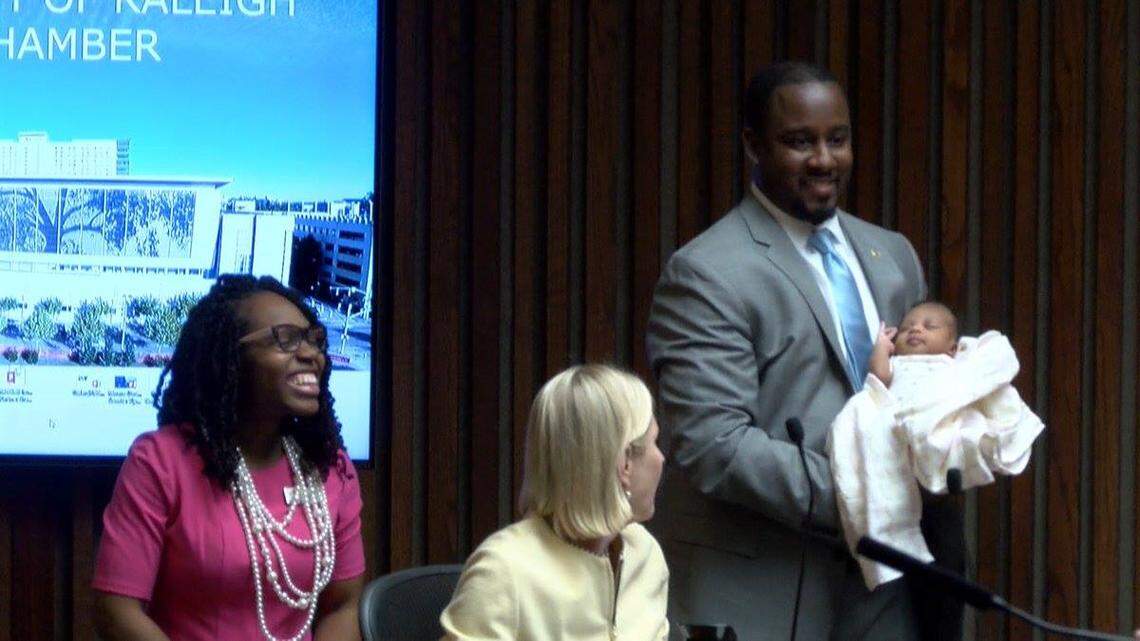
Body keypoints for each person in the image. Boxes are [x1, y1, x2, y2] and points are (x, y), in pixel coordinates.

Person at [646, 61, 934, 640]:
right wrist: (859, 494)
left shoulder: (892, 254)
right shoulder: (706, 273)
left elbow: (919, 389)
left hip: (888, 592)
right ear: (753, 144)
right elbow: (714, 443)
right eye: (799, 141)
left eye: (838, 139)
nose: (824, 159)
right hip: (769, 592)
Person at [92, 275, 365, 641]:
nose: (310, 354)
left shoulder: (330, 468)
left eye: (314, 339)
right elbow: (117, 611)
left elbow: (342, 605)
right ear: (230, 358)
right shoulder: (160, 462)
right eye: (286, 339)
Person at [831, 302, 1042, 603]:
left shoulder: (955, 369)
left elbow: (979, 388)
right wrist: (880, 353)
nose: (916, 329)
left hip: (940, 451)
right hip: (900, 458)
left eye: (930, 327)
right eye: (906, 328)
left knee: (943, 592)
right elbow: (875, 392)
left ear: (952, 348)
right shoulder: (896, 369)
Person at [439, 364, 669, 640]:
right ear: (625, 464)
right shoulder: (503, 571)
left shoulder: (645, 554)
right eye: (655, 442)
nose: (662, 458)